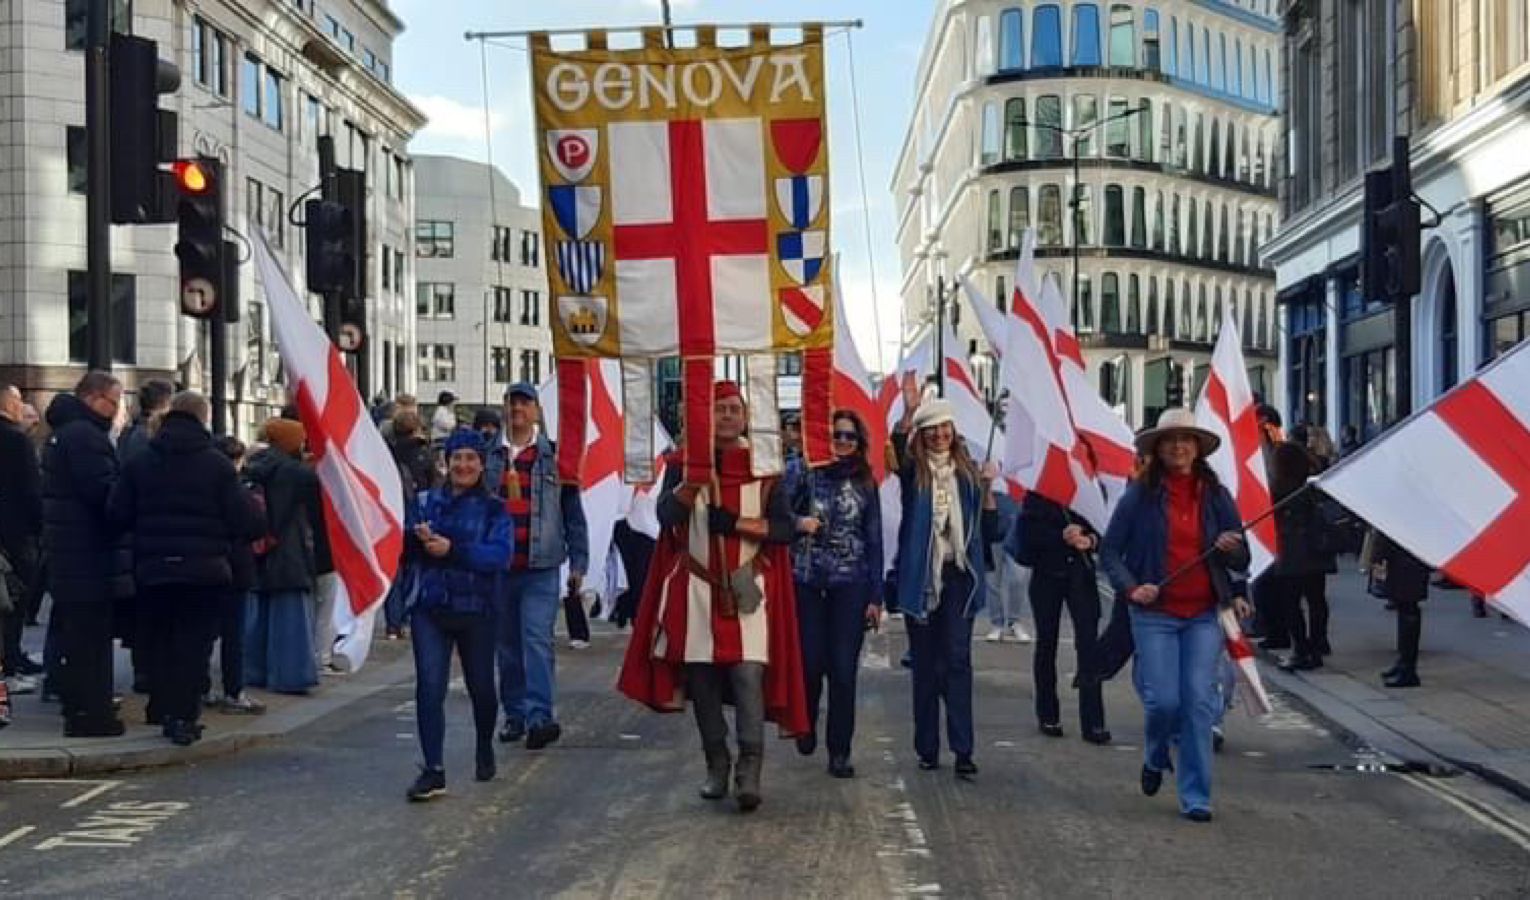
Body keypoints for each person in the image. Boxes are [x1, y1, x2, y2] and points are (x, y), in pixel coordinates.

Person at [618, 381, 808, 812]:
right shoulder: (683, 462)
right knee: (701, 680)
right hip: (697, 585)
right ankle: (717, 764)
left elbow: (782, 529)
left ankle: (750, 770)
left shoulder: (765, 467)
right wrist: (691, 483)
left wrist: (738, 524)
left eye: (733, 408)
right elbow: (664, 517)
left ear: (744, 415)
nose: (726, 415)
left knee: (747, 675)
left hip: (747, 585)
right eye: (719, 408)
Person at [1100, 408, 1252, 823]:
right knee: (1164, 701)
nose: (1179, 447)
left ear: (1198, 448)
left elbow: (1242, 554)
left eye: (1186, 440)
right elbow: (1110, 552)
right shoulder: (1140, 495)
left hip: (1203, 614)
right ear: (1158, 449)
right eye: (1170, 441)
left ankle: (1196, 795)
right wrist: (1133, 588)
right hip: (1155, 614)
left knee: (1199, 704)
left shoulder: (1217, 495)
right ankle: (1154, 755)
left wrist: (1231, 548)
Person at [108, 392, 262, 745]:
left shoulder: (142, 461)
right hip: (204, 568)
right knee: (194, 645)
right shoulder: (217, 465)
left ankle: (160, 706)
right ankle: (183, 715)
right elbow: (246, 520)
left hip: (153, 565)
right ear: (203, 417)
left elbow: (117, 513)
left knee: (159, 640)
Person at [890, 390, 1000, 779]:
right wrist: (907, 411)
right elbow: (894, 448)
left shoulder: (968, 474)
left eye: (944, 427)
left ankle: (963, 749)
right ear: (921, 435)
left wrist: (988, 490)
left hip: (958, 578)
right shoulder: (913, 473)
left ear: (954, 431)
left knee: (956, 661)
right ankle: (927, 746)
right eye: (931, 429)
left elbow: (992, 532)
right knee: (925, 665)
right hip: (921, 578)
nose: (939, 435)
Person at [405, 429, 513, 802]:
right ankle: (433, 769)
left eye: (470, 458)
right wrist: (413, 540)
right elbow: (404, 549)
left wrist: (452, 549)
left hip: (477, 608)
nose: (463, 465)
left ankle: (484, 743)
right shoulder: (423, 501)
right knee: (429, 687)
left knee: (481, 688)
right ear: (445, 463)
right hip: (431, 607)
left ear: (481, 465)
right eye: (457, 459)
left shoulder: (495, 509)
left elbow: (498, 556)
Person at [487, 382, 588, 750]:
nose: (517, 408)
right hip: (499, 567)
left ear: (537, 411)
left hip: (540, 565)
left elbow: (573, 514)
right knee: (507, 645)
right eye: (512, 402)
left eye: (524, 402)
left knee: (536, 641)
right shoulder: (490, 457)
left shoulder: (555, 459)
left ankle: (539, 716)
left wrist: (580, 560)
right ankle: (514, 713)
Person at [790, 409, 883, 778]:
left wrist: (876, 597)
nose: (842, 442)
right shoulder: (802, 471)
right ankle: (806, 721)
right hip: (808, 580)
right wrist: (800, 523)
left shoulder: (865, 482)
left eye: (849, 437)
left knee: (844, 671)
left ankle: (839, 751)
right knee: (811, 664)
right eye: (836, 436)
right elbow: (778, 512)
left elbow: (874, 539)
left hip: (851, 584)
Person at [41, 371, 128, 737]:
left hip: (69, 552)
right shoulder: (86, 438)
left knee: (76, 636)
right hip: (87, 554)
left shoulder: (64, 433)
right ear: (94, 399)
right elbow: (105, 496)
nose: (118, 411)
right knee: (90, 640)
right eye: (115, 402)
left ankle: (79, 707)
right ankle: (91, 716)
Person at [1013, 491, 1110, 744]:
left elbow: (1104, 530)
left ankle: (1094, 721)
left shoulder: (1090, 489)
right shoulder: (1037, 497)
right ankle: (1048, 714)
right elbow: (1026, 540)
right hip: (1046, 575)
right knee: (1047, 644)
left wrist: (1089, 539)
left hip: (1081, 576)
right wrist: (1060, 536)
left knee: (1088, 646)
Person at [243, 417, 322, 695]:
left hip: (259, 548)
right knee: (291, 616)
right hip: (290, 549)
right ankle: (290, 675)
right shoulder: (297, 473)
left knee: (259, 614)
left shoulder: (254, 467)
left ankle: (254, 671)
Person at [1270, 443, 1337, 672]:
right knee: (1317, 599)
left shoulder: (1279, 487)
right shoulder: (1313, 484)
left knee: (1291, 602)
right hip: (1317, 549)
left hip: (1292, 550)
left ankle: (1301, 649)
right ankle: (1318, 643)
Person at [209, 436, 264, 714]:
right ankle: (233, 690)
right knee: (234, 634)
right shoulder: (240, 491)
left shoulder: (202, 487)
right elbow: (255, 525)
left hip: (205, 564)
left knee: (203, 633)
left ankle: (202, 687)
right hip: (236, 565)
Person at [0, 382, 44, 684]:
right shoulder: (16, 441)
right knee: (14, 599)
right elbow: (31, 491)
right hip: (15, 532)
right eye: (18, 401)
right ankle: (11, 661)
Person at [384, 409, 436, 640]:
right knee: (414, 568)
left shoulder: (387, 453)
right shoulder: (425, 454)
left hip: (393, 516)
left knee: (393, 572)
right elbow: (433, 485)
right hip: (418, 517)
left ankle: (392, 622)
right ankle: (407, 615)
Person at [1372, 531, 1430, 688]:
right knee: (1405, 609)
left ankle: (1408, 668)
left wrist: (1378, 555)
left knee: (1408, 611)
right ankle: (1404, 662)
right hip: (1405, 559)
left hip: (1406, 561)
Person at [984, 493, 1033, 644]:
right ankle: (996, 623)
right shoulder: (989, 473)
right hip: (993, 534)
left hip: (1017, 536)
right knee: (992, 583)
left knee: (1019, 579)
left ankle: (1014, 621)